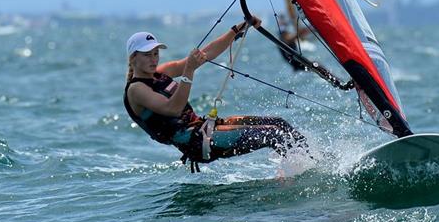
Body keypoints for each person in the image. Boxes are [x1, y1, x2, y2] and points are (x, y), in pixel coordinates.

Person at [123, 18, 309, 171]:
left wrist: (237, 29)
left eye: (155, 53)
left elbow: (207, 53)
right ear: (133, 58)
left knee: (279, 123)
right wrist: (188, 72)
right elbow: (173, 109)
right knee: (274, 134)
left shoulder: (161, 72)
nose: (153, 59)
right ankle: (299, 177)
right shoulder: (136, 89)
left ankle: (310, 163)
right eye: (147, 54)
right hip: (197, 143)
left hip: (204, 128)